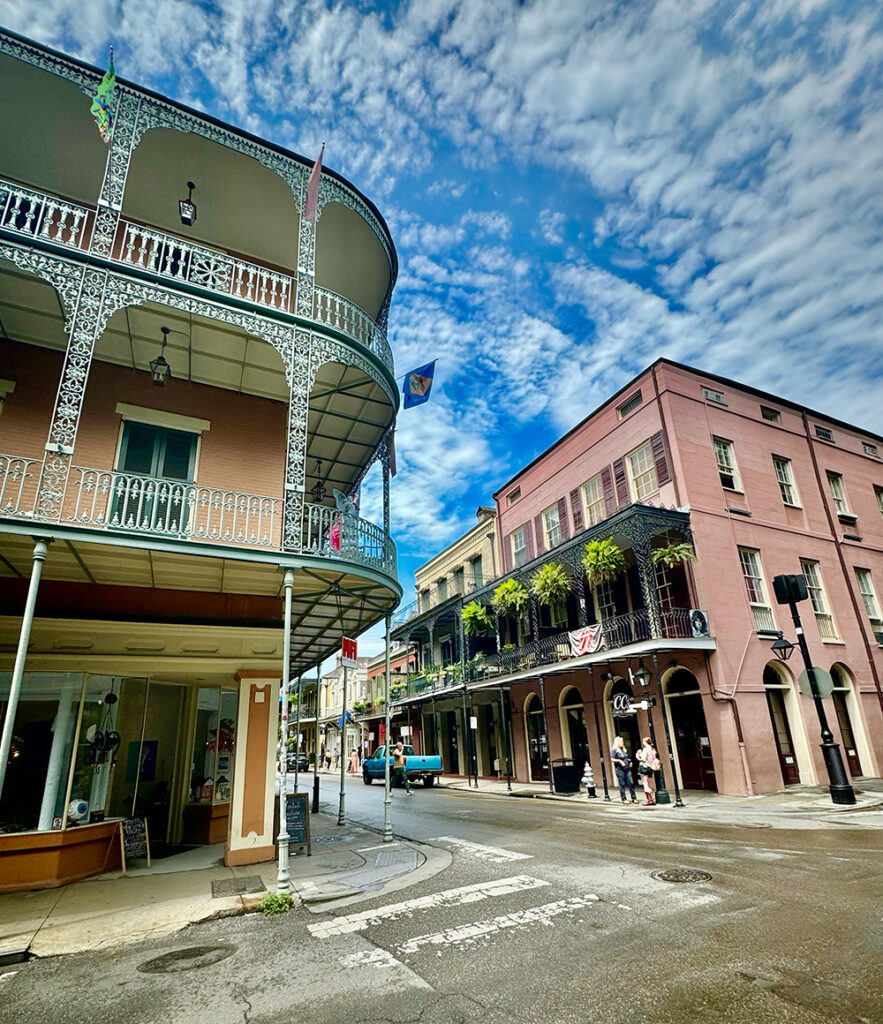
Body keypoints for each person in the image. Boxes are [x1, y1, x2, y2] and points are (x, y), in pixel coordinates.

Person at [610, 736, 637, 803]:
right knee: (622, 783)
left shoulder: (623, 750)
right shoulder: (614, 750)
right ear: (617, 742)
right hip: (619, 769)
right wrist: (620, 761)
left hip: (627, 768)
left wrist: (630, 762)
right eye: (621, 741)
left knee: (631, 783)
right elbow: (612, 759)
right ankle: (624, 799)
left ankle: (634, 798)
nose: (623, 743)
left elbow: (626, 757)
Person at [636, 735, 658, 806]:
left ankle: (650, 799)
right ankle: (651, 799)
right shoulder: (653, 749)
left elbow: (643, 759)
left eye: (643, 742)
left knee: (645, 784)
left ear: (645, 742)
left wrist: (638, 755)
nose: (643, 743)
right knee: (647, 782)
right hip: (650, 767)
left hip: (644, 767)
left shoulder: (646, 749)